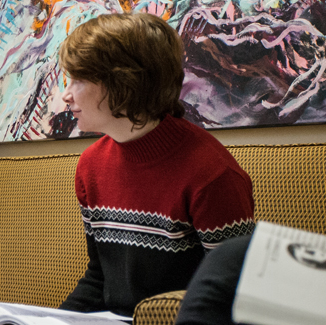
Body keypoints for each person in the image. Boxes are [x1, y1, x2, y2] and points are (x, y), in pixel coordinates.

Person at [55, 13, 256, 317]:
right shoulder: (90, 165)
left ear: (125, 82)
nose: (65, 95)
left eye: (80, 80)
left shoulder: (212, 174)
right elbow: (99, 279)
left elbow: (233, 295)